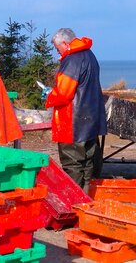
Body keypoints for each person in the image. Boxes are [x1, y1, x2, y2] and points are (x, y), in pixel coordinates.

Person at [43, 28, 107, 192]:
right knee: (87, 161)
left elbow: (64, 92)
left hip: (73, 121)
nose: (58, 54)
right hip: (91, 118)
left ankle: (74, 201)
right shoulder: (89, 55)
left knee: (72, 163)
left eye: (58, 49)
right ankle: (84, 199)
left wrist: (50, 95)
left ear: (65, 43)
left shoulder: (72, 59)